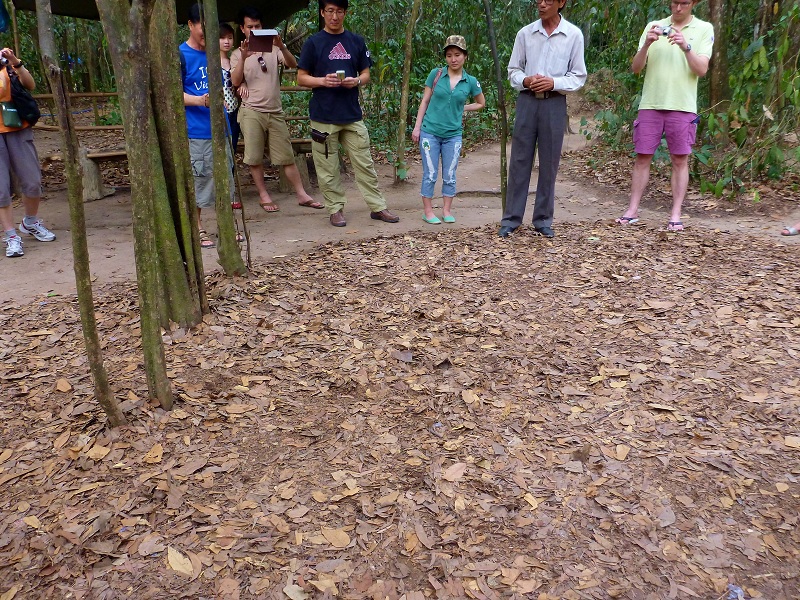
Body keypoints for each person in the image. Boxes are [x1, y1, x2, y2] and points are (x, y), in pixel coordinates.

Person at [297, 0, 399, 227]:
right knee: (327, 167)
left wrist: (356, 81)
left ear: (345, 13)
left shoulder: (356, 41)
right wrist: (322, 81)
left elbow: (366, 73)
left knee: (365, 163)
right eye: (330, 11)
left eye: (339, 11)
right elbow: (301, 77)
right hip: (323, 116)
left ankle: (378, 207)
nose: (335, 16)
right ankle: (335, 209)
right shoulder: (313, 43)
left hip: (352, 115)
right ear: (323, 13)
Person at [615, 0, 714, 232]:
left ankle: (676, 215)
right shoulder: (654, 25)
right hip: (651, 102)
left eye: (684, 3)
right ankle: (632, 211)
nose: (678, 8)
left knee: (680, 160)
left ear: (693, 4)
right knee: (642, 156)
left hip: (682, 105)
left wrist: (685, 46)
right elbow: (636, 68)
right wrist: (646, 45)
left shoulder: (704, 28)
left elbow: (702, 69)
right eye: (674, 2)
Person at [499, 0, 586, 239]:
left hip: (554, 104)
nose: (542, 3)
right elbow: (513, 70)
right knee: (519, 160)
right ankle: (511, 220)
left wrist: (554, 82)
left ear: (561, 3)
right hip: (527, 102)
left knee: (549, 163)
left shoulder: (573, 35)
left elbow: (578, 76)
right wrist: (526, 81)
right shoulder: (526, 33)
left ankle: (543, 220)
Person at [231, 6, 322, 213]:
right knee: (254, 157)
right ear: (242, 29)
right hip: (251, 111)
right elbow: (235, 82)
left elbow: (292, 64)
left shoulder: (273, 49)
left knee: (286, 155)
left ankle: (301, 194)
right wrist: (245, 57)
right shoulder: (238, 54)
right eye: (250, 27)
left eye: (258, 26)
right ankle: (264, 195)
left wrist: (282, 46)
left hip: (275, 111)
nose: (254, 29)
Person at [412, 35, 485, 225]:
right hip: (430, 132)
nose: (453, 59)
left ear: (465, 56)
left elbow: (481, 103)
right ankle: (428, 211)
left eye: (457, 55)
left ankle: (446, 210)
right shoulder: (436, 74)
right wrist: (417, 128)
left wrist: (464, 108)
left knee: (450, 174)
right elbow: (425, 101)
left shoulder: (470, 81)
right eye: (449, 55)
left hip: (453, 135)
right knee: (430, 173)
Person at [180, 3, 234, 248]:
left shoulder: (217, 53)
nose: (206, 33)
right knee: (199, 181)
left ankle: (226, 226)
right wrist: (200, 100)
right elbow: (171, 94)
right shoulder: (181, 55)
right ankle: (198, 228)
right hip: (196, 131)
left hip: (222, 129)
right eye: (202, 27)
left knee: (226, 180)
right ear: (190, 25)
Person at [0, 47, 55, 258]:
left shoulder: (9, 67)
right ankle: (11, 236)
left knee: (32, 181)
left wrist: (15, 62)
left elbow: (29, 85)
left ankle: (30, 222)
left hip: (18, 129)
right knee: (1, 189)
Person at [219, 22, 241, 152]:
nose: (226, 41)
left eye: (230, 38)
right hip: (219, 111)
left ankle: (231, 173)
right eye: (222, 38)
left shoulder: (235, 59)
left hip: (234, 110)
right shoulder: (209, 61)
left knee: (232, 147)